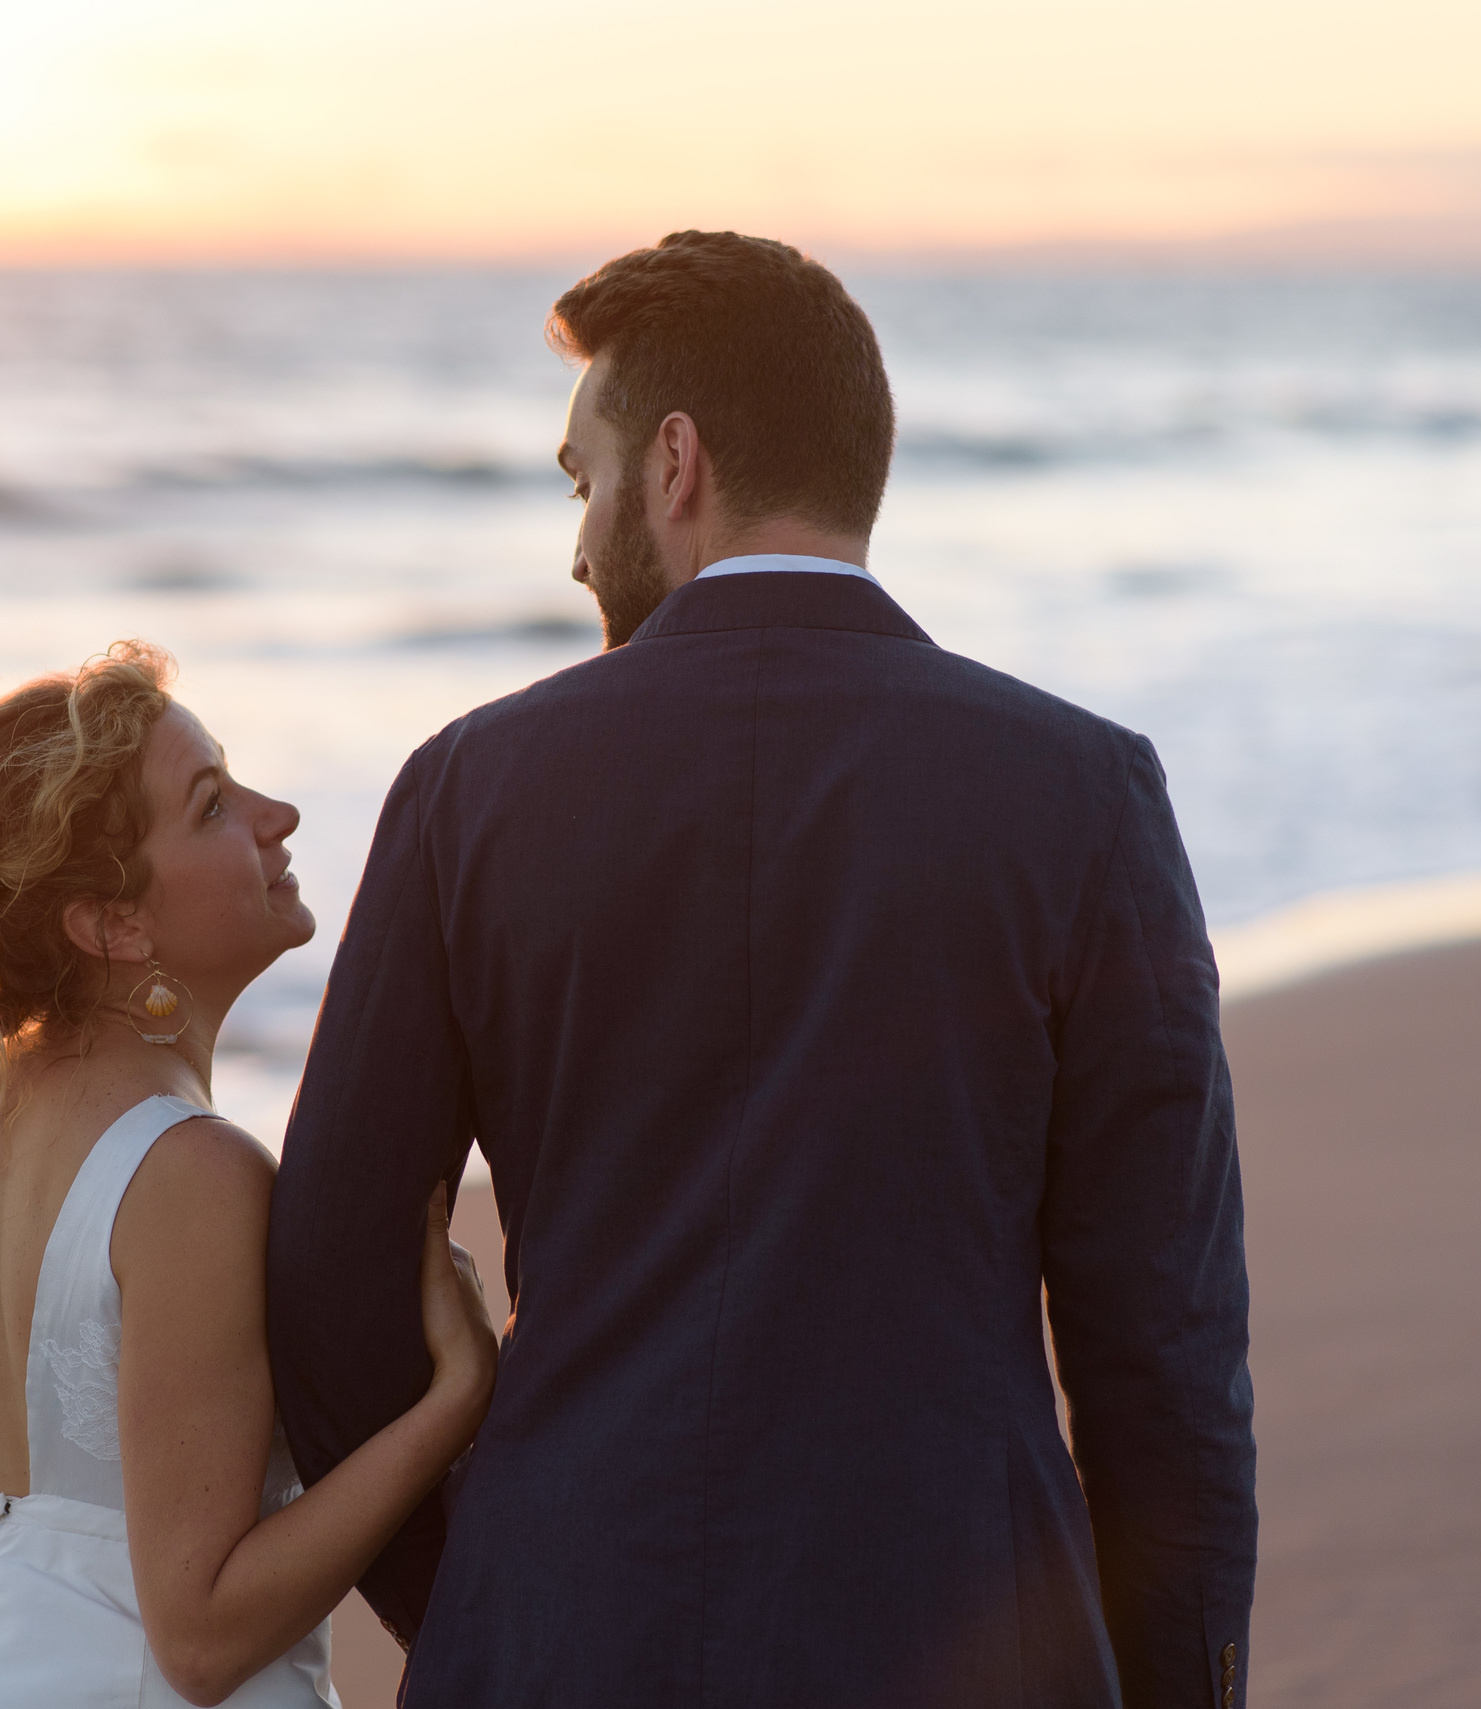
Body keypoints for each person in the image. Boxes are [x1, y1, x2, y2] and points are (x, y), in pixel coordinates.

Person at [267, 232, 1258, 1707]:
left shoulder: (467, 791)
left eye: (579, 476)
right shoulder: (1084, 796)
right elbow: (1162, 1347)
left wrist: (490, 1576)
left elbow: (331, 1278)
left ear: (674, 465)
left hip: (560, 1631)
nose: (578, 535)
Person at [0, 642, 498, 1709]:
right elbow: (197, 1635)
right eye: (212, 805)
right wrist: (450, 1405)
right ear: (113, 921)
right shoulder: (189, 1174)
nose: (274, 813)